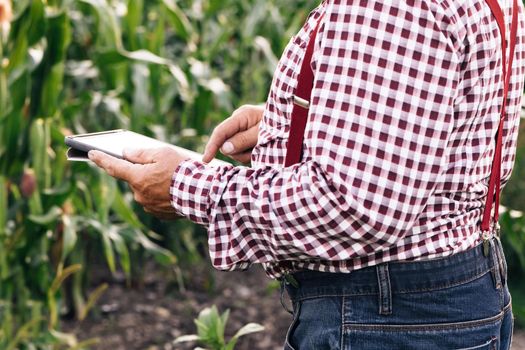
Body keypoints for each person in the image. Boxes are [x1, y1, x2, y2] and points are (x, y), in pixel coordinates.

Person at [89, 0, 525, 348]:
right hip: (453, 292)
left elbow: (353, 207)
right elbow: (449, 121)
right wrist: (290, 126)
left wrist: (186, 187)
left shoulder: (386, 6)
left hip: (385, 316)